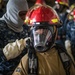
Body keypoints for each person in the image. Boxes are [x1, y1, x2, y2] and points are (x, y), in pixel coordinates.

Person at [3, 0, 75, 75]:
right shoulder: (28, 60)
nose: (41, 39)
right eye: (37, 33)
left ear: (55, 32)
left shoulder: (64, 57)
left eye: (45, 33)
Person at [0, 0, 29, 75]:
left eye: (26, 14)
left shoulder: (25, 28)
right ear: (13, 12)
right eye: (21, 14)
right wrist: (18, 46)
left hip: (23, 71)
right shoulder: (1, 28)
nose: (24, 17)